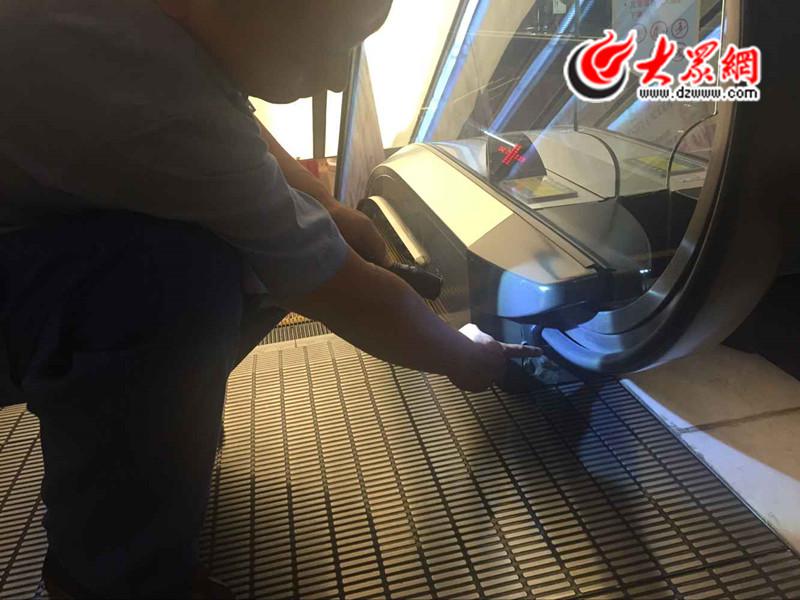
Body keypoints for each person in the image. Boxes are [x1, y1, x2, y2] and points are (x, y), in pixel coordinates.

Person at [0, 1, 540, 597]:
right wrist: (465, 359)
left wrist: (327, 209)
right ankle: (118, 580)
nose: (336, 78)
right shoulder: (133, 74)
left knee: (255, 245)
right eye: (324, 42)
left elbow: (229, 120)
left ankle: (149, 444)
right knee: (170, 272)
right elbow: (336, 287)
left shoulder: (144, 33)